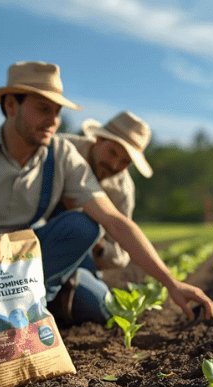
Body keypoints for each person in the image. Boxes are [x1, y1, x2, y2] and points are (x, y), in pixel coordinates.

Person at [0, 61, 213, 325]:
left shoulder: (62, 155)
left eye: (57, 112)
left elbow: (116, 223)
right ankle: (23, 307)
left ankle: (28, 304)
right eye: (42, 109)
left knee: (92, 263)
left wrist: (171, 283)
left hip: (25, 265)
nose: (52, 121)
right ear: (11, 106)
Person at [56, 110, 154, 322]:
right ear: (98, 139)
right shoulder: (63, 149)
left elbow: (120, 254)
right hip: (39, 244)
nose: (115, 166)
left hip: (80, 261)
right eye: (112, 153)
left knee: (100, 307)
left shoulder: (123, 189)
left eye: (125, 162)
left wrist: (98, 246)